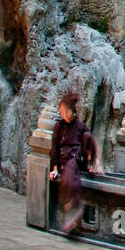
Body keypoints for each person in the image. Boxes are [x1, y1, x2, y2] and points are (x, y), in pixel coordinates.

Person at [48, 93, 97, 235]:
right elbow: (55, 147)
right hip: (64, 159)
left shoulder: (80, 126)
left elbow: (90, 143)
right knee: (69, 172)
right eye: (62, 112)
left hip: (78, 158)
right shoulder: (59, 126)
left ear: (73, 111)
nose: (64, 114)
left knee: (87, 137)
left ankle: (73, 208)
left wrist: (92, 162)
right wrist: (55, 168)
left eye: (66, 111)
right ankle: (73, 207)